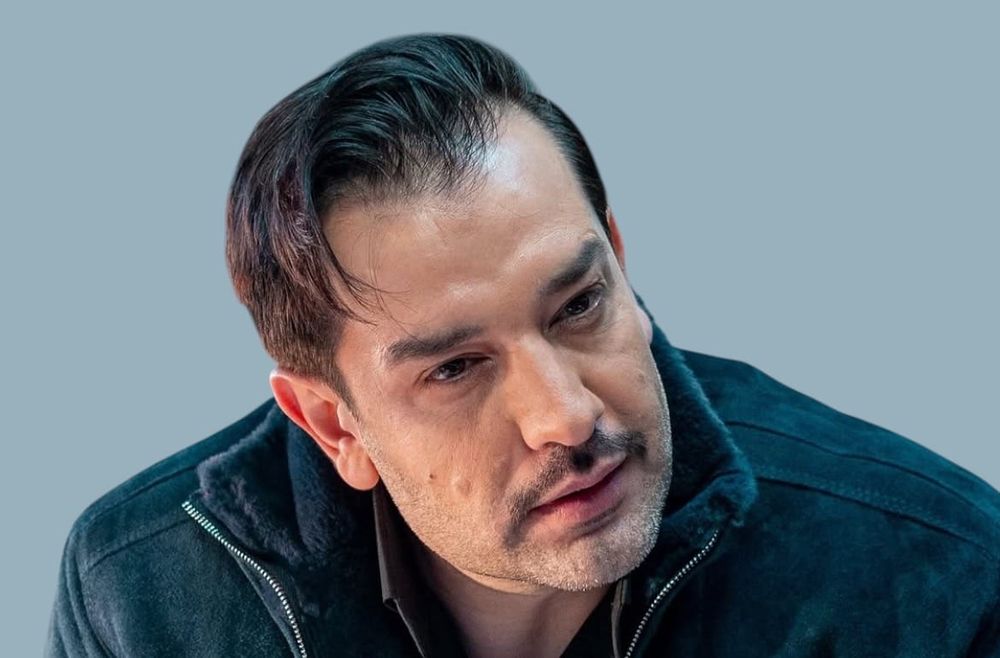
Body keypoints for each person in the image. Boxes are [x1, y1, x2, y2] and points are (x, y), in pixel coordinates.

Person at [46, 33, 999, 658]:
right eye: (456, 368)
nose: (568, 416)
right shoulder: (142, 593)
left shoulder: (934, 578)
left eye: (578, 305)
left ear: (618, 257)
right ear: (334, 425)